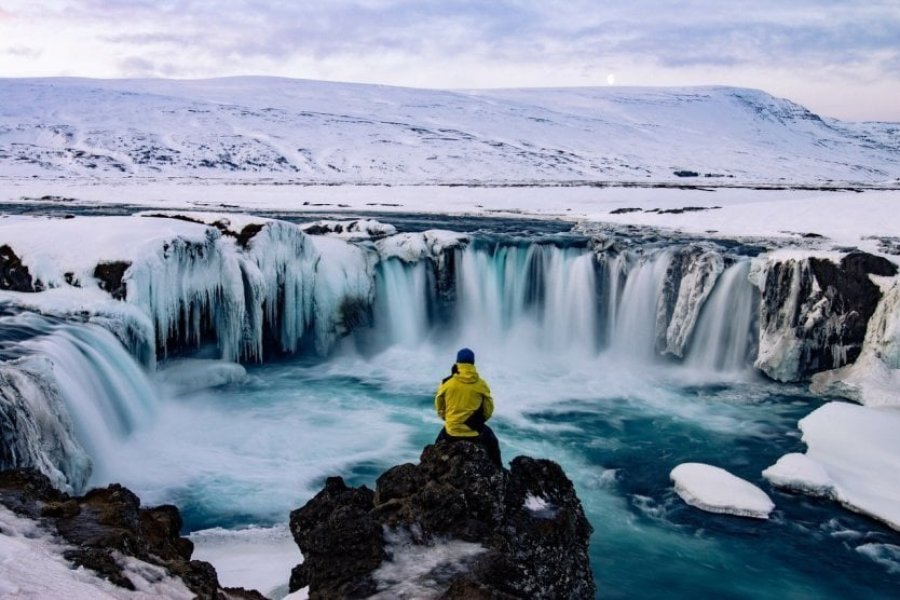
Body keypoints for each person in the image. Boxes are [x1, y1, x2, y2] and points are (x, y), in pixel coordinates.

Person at [434, 347, 502, 467]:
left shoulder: (446, 383)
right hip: (474, 434)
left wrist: (448, 418)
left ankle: (432, 465)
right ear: (473, 363)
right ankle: (498, 469)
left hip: (451, 433)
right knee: (492, 442)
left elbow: (439, 405)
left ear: (457, 363)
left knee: (437, 446)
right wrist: (480, 421)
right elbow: (489, 408)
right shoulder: (481, 384)